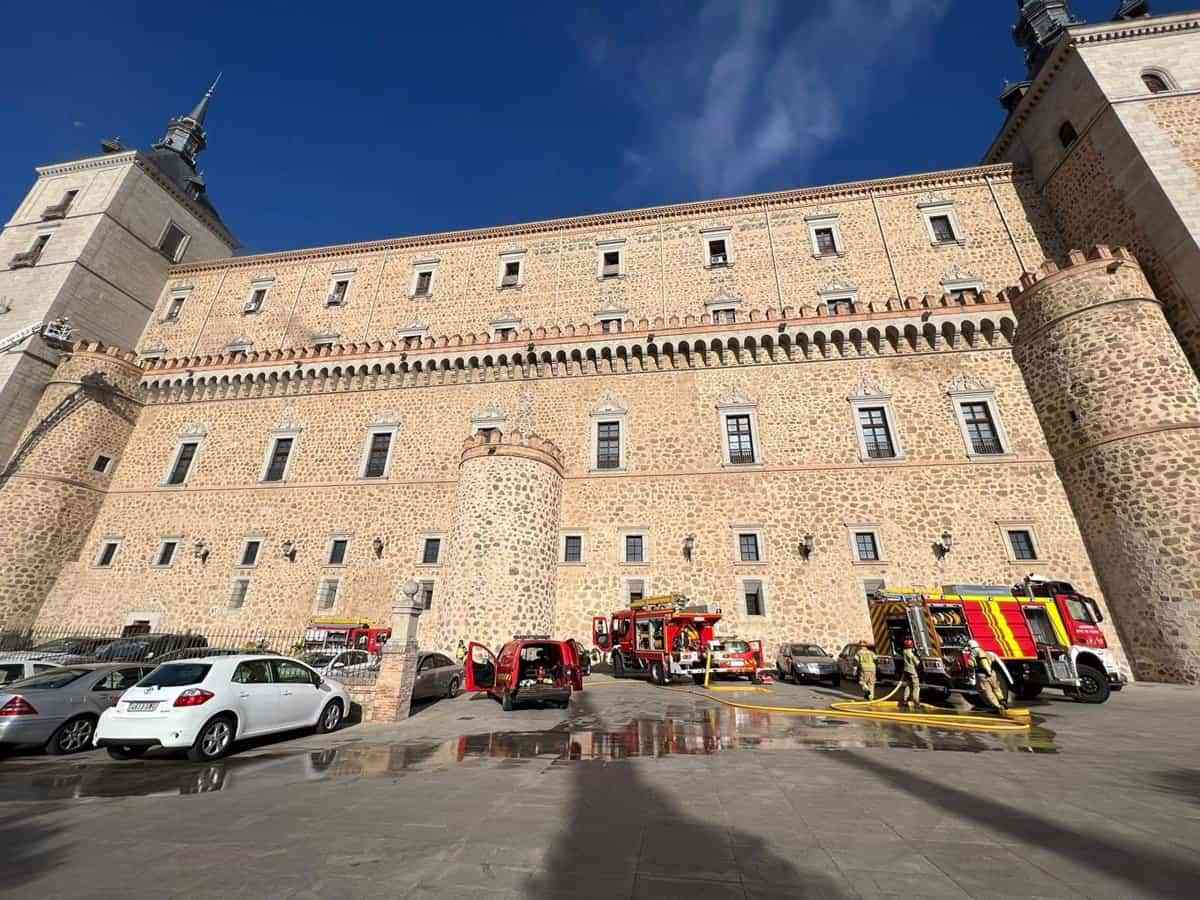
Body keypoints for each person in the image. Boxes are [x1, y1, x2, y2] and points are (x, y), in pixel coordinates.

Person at [968, 639, 1006, 710]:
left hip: (982, 676)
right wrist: (989, 671)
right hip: (992, 673)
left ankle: (998, 707)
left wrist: (972, 678)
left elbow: (971, 667)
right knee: (996, 688)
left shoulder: (972, 656)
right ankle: (1002, 700)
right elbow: (993, 659)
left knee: (988, 692)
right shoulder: (985, 652)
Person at [898, 638, 921, 709]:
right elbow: (917, 663)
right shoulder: (911, 653)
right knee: (916, 687)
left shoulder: (904, 651)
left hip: (906, 671)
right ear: (911, 645)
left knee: (908, 685)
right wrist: (918, 657)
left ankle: (905, 700)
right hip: (912, 672)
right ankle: (916, 701)